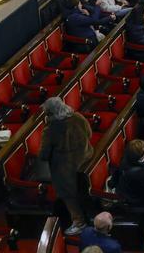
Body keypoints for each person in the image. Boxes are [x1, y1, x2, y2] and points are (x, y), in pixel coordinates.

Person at [38, 97, 93, 234]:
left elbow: (44, 155)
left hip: (66, 168)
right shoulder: (78, 117)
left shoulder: (50, 130)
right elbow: (90, 134)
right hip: (86, 157)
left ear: (50, 113)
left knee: (69, 196)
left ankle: (78, 222)